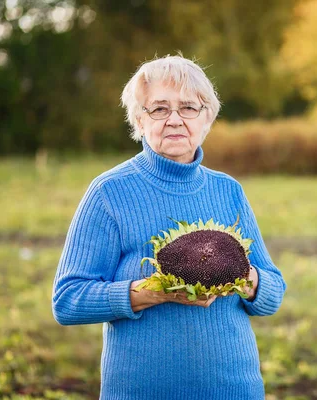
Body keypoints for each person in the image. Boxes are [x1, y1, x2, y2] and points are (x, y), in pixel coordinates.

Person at [51, 55, 286, 399]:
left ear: (207, 118)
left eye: (188, 107)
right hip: (143, 390)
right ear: (138, 120)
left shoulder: (228, 190)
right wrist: (153, 292)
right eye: (159, 109)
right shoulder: (109, 192)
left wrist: (244, 278)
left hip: (234, 388)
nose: (175, 120)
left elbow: (273, 292)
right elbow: (68, 300)